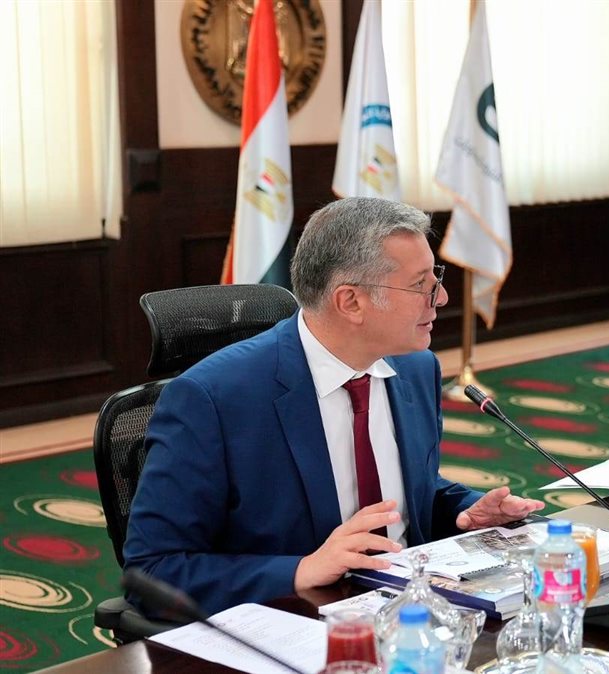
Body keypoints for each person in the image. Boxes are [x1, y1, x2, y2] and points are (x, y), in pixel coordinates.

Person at [124, 197, 543, 614]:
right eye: (420, 285)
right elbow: (152, 571)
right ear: (351, 302)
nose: (442, 297)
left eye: (436, 278)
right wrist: (300, 570)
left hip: (412, 610)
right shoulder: (211, 399)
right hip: (294, 617)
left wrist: (465, 511)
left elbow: (409, 489)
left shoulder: (416, 368)